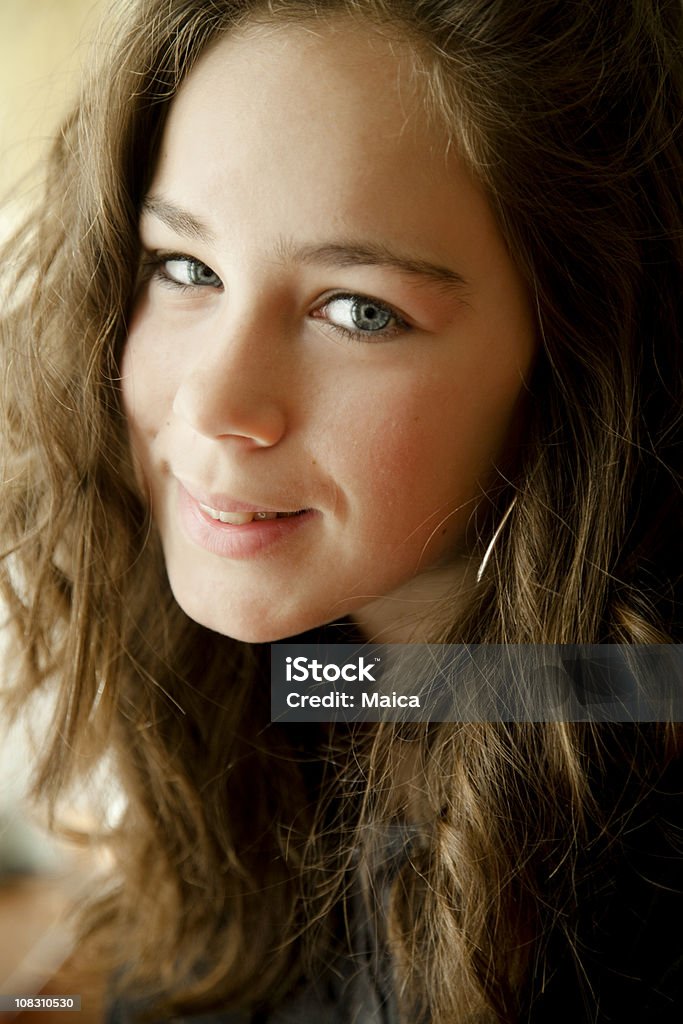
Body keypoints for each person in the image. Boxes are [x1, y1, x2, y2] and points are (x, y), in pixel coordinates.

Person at [1, 0, 681, 1021]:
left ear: (570, 361)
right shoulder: (345, 681)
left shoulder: (620, 847)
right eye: (185, 268)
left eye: (358, 311)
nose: (214, 405)